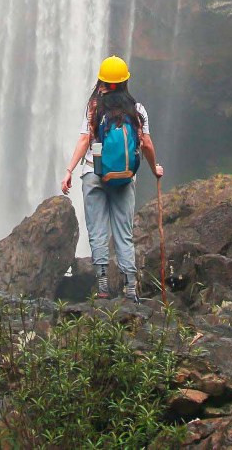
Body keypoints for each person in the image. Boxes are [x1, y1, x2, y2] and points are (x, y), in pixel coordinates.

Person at [60, 55, 162, 301]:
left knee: (97, 231)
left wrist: (69, 170)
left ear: (103, 82)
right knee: (124, 233)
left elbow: (85, 140)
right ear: (125, 81)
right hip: (124, 177)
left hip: (94, 174)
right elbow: (146, 143)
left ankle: (103, 287)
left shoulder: (94, 107)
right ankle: (129, 288)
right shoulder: (137, 110)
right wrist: (154, 168)